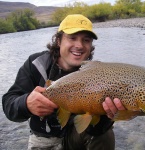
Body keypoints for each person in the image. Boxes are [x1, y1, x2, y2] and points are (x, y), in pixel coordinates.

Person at [2, 14, 125, 150]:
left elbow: (95, 130)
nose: (79, 45)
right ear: (59, 41)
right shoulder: (36, 64)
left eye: (86, 40)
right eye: (72, 38)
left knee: (105, 134)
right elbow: (9, 106)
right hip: (44, 140)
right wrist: (25, 104)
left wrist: (108, 116)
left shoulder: (95, 73)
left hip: (77, 137)